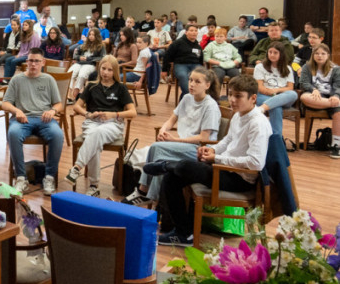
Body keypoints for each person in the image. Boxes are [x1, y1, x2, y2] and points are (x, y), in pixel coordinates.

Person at [149, 75, 271, 246]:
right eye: (231, 94)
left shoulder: (257, 123)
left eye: (238, 96)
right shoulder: (239, 115)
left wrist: (217, 158)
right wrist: (212, 150)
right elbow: (228, 140)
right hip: (225, 168)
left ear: (253, 98)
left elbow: (255, 163)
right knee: (172, 178)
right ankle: (184, 233)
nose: (232, 100)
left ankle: (167, 165)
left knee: (184, 166)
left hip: (240, 179)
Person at [122, 67, 221, 206]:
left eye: (197, 81)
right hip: (184, 146)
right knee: (160, 157)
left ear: (207, 85)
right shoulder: (187, 98)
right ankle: (152, 199)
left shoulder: (210, 106)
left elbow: (204, 138)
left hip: (200, 150)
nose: (192, 84)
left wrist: (175, 140)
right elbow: (172, 119)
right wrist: (163, 130)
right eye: (190, 80)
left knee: (157, 148)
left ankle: (144, 192)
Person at [64, 55, 137, 197]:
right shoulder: (91, 86)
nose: (105, 72)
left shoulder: (121, 88)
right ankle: (93, 187)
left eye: (110, 70)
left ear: (115, 71)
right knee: (95, 141)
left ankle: (77, 167)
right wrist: (88, 114)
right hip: (92, 122)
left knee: (95, 135)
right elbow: (77, 106)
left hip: (113, 123)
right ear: (99, 69)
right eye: (103, 68)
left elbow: (132, 112)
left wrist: (113, 114)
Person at [2, 47, 65, 195]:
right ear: (26, 61)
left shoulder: (49, 79)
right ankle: (21, 178)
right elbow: (5, 103)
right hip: (22, 119)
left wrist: (52, 111)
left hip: (44, 119)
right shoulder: (17, 79)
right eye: (30, 60)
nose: (33, 64)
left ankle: (49, 177)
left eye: (37, 61)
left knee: (57, 135)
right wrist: (17, 111)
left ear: (43, 62)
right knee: (13, 133)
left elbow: (59, 104)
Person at [299, 43, 340, 158]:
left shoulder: (335, 69)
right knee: (304, 97)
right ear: (313, 55)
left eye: (323, 53)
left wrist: (336, 96)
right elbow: (303, 83)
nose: (319, 56)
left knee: (338, 113)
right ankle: (335, 104)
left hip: (330, 97)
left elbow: (338, 86)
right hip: (315, 98)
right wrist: (313, 89)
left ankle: (336, 145)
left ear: (328, 55)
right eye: (316, 53)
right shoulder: (307, 67)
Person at [254, 42, 298, 136]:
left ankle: (262, 108)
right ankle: (276, 138)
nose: (272, 55)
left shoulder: (288, 68)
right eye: (270, 52)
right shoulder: (260, 67)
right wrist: (269, 92)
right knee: (276, 107)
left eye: (275, 53)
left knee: (293, 94)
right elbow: (260, 87)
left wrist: (276, 90)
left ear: (281, 54)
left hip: (283, 96)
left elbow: (290, 87)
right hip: (264, 95)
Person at [163, 24, 203, 98]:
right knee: (183, 75)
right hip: (181, 64)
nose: (194, 32)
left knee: (202, 75)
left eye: (195, 31)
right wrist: (164, 70)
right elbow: (167, 56)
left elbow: (201, 59)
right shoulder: (178, 43)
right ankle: (190, 97)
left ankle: (186, 98)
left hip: (195, 65)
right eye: (191, 30)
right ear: (186, 32)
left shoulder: (198, 46)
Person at [67, 27, 105, 103]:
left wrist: (88, 58)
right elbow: (75, 55)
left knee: (82, 74)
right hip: (80, 63)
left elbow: (102, 57)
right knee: (70, 73)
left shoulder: (101, 46)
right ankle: (68, 94)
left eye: (93, 35)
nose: (91, 36)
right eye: (90, 34)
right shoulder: (84, 44)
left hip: (90, 64)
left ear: (97, 36)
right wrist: (80, 57)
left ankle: (76, 93)